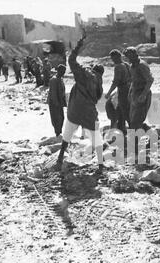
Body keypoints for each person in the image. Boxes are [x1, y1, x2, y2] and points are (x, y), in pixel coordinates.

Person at [56, 34, 105, 173]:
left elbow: (71, 60)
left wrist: (78, 45)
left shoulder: (85, 74)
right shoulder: (100, 83)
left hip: (75, 111)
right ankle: (101, 165)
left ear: (93, 69)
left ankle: (59, 159)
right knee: (96, 137)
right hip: (89, 112)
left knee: (67, 136)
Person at [123, 47, 154, 131]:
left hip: (142, 95)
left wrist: (143, 94)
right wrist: (130, 93)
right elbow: (133, 81)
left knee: (137, 121)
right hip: (135, 95)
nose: (128, 59)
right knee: (133, 120)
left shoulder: (142, 65)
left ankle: (139, 141)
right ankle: (148, 134)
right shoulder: (132, 66)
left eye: (128, 57)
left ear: (134, 55)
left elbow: (150, 80)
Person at [105, 49, 131, 133]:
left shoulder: (118, 67)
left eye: (113, 59)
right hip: (129, 90)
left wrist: (108, 93)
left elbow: (116, 82)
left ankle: (121, 129)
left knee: (121, 111)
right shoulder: (126, 65)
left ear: (117, 57)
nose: (113, 61)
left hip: (123, 91)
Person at [47, 64, 67, 137]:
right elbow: (53, 93)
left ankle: (59, 132)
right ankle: (57, 133)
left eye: (64, 71)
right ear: (58, 71)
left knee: (61, 118)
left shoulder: (60, 79)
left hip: (59, 102)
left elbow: (62, 91)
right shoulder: (54, 80)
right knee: (56, 118)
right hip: (54, 103)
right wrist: (56, 103)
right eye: (62, 71)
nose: (63, 73)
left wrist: (63, 102)